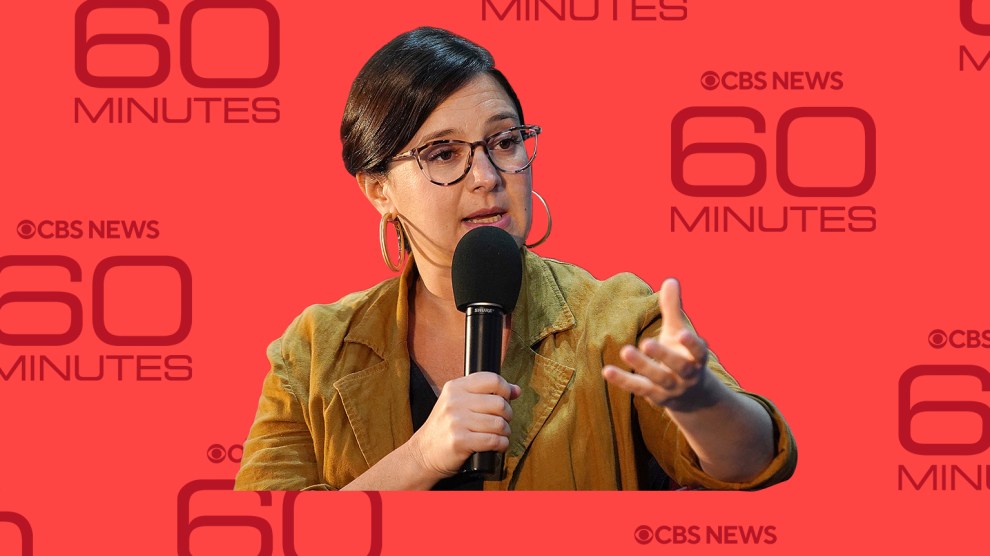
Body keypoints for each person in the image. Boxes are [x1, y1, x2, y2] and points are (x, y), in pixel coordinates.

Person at [234, 27, 797, 491]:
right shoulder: (312, 351)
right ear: (378, 189)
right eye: (444, 154)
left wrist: (701, 403)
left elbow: (749, 463)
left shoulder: (618, 316)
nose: (487, 177)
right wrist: (421, 458)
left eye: (504, 143)